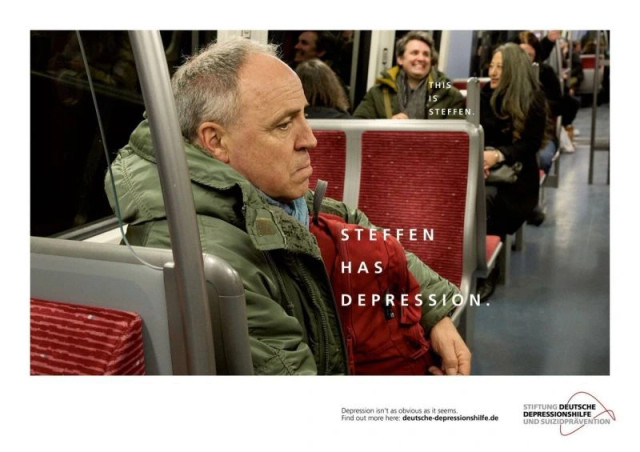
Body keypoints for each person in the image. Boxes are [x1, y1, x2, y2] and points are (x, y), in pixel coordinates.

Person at [105, 38, 471, 376]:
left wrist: (434, 312)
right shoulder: (211, 262)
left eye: (303, 116)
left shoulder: (265, 198)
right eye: (284, 125)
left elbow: (351, 221)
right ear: (215, 140)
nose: (310, 139)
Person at [481, 43, 547, 237]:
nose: (492, 72)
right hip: (486, 169)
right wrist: (481, 159)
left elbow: (529, 145)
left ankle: (483, 260)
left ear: (514, 70)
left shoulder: (533, 100)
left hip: (517, 178)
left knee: (483, 199)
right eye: (491, 66)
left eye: (500, 67)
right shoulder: (484, 94)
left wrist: (497, 155)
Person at [353, 31, 465, 119]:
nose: (421, 58)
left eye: (426, 54)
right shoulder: (377, 93)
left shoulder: (450, 95)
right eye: (414, 53)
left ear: (431, 60)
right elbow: (358, 127)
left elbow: (458, 137)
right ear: (400, 59)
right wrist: (386, 126)